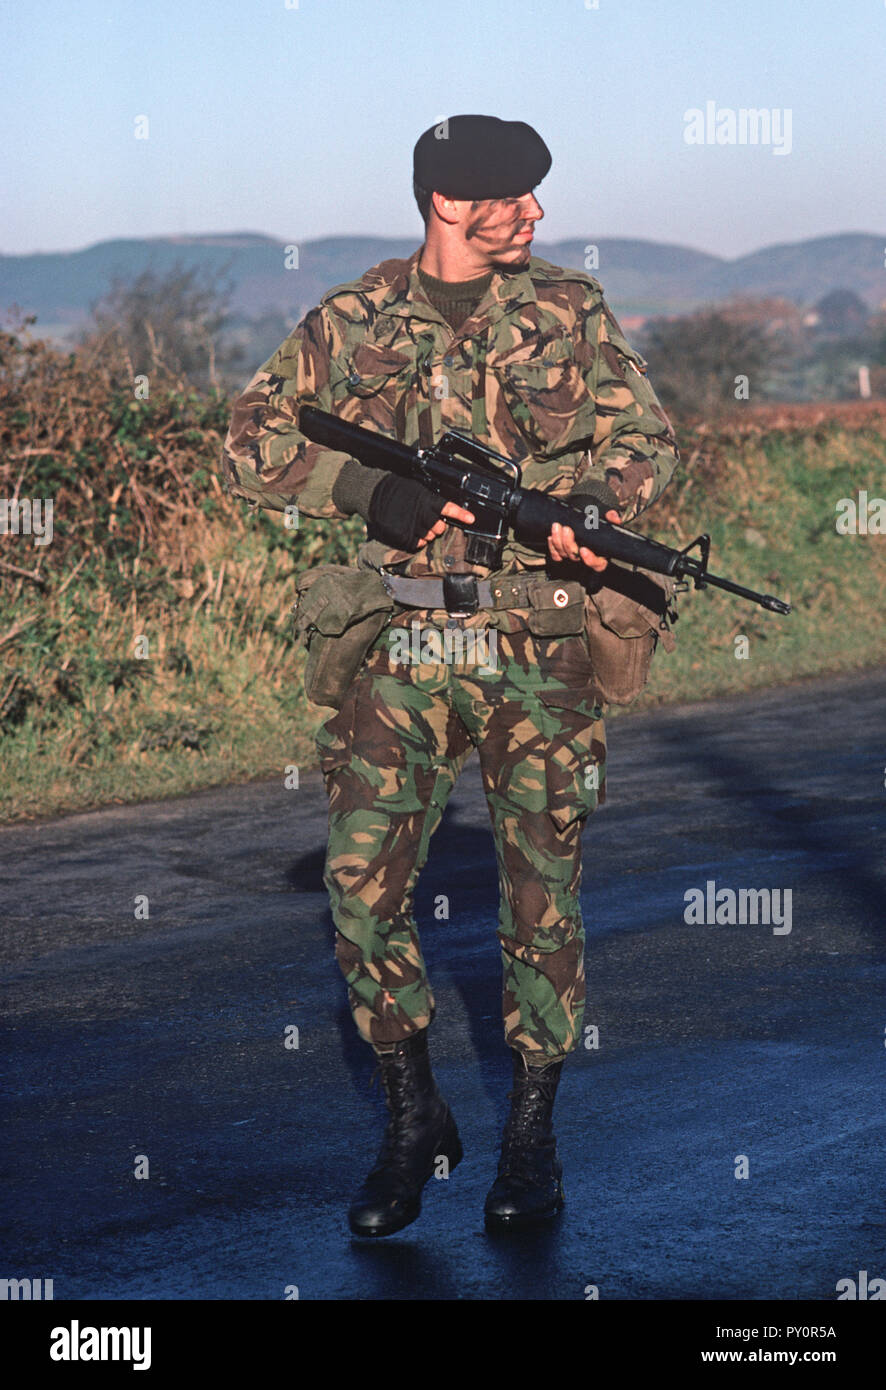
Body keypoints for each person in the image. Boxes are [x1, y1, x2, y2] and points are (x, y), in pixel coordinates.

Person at [220, 114, 679, 1237]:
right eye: (513, 197)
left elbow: (650, 444)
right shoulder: (350, 318)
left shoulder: (569, 310)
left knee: (541, 898)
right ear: (446, 204)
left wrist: (598, 517)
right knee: (360, 890)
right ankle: (411, 1116)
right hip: (404, 645)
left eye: (533, 195)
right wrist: (365, 494)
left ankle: (530, 1141)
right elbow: (244, 439)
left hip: (538, 644)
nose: (534, 213)